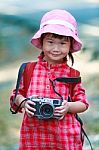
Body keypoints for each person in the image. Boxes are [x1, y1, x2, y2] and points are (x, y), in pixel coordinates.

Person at [10, 9, 89, 150]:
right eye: (50, 42)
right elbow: (16, 96)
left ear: (70, 45)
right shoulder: (29, 69)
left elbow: (83, 103)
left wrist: (68, 107)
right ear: (42, 41)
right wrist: (23, 103)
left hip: (64, 139)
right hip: (33, 138)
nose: (56, 48)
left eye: (63, 43)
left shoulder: (72, 74)